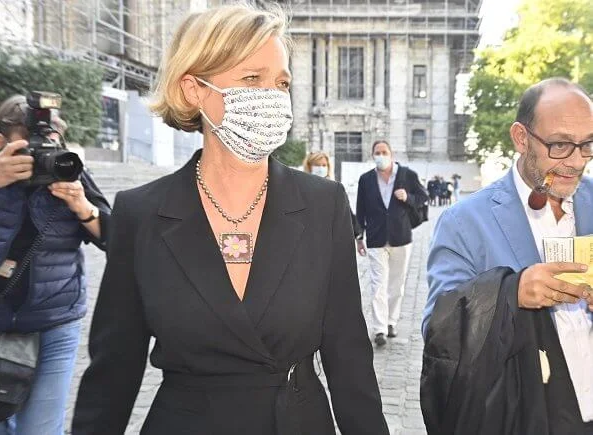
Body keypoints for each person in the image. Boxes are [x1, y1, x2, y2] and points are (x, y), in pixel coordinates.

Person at [72, 5, 389, 435]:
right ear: (193, 90)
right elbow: (113, 373)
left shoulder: (323, 203)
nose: (274, 97)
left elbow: (348, 356)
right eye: (252, 78)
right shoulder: (140, 212)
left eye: (282, 83)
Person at [421, 78, 593, 434]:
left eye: (588, 145)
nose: (577, 161)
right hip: (526, 417)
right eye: (561, 145)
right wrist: (511, 293)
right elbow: (437, 330)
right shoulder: (465, 221)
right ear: (521, 137)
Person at [0, 95, 111, 434]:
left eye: (47, 144)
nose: (40, 155)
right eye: (28, 147)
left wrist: (81, 205)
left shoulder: (69, 170)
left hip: (55, 320)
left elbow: (114, 237)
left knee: (41, 429)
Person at [356, 140, 428, 347]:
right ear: (372, 155)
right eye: (377, 152)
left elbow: (424, 197)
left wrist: (408, 197)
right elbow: (360, 210)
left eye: (384, 152)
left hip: (401, 237)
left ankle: (391, 322)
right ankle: (379, 329)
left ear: (391, 154)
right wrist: (359, 237)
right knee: (378, 284)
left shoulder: (407, 175)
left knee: (397, 285)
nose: (381, 155)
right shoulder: (366, 180)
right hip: (376, 238)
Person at [303, 151, 363, 238]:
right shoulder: (300, 188)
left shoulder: (336, 189)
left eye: (324, 165)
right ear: (309, 167)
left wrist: (357, 233)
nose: (321, 168)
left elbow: (347, 213)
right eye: (317, 165)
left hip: (330, 238)